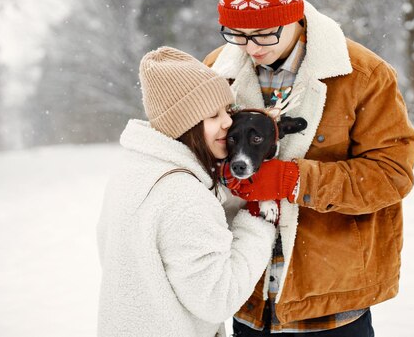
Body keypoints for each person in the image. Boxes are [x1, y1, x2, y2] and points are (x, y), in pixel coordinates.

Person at [204, 0, 414, 336]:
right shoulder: (217, 70)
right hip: (246, 297)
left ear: (293, 14)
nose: (252, 48)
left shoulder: (363, 75)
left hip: (333, 302)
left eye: (265, 33)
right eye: (239, 35)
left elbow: (392, 175)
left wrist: (294, 179)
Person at [97, 46, 278, 337]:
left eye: (227, 110)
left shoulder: (133, 171)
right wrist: (258, 218)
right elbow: (217, 298)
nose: (228, 122)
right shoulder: (182, 195)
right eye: (213, 115)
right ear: (186, 124)